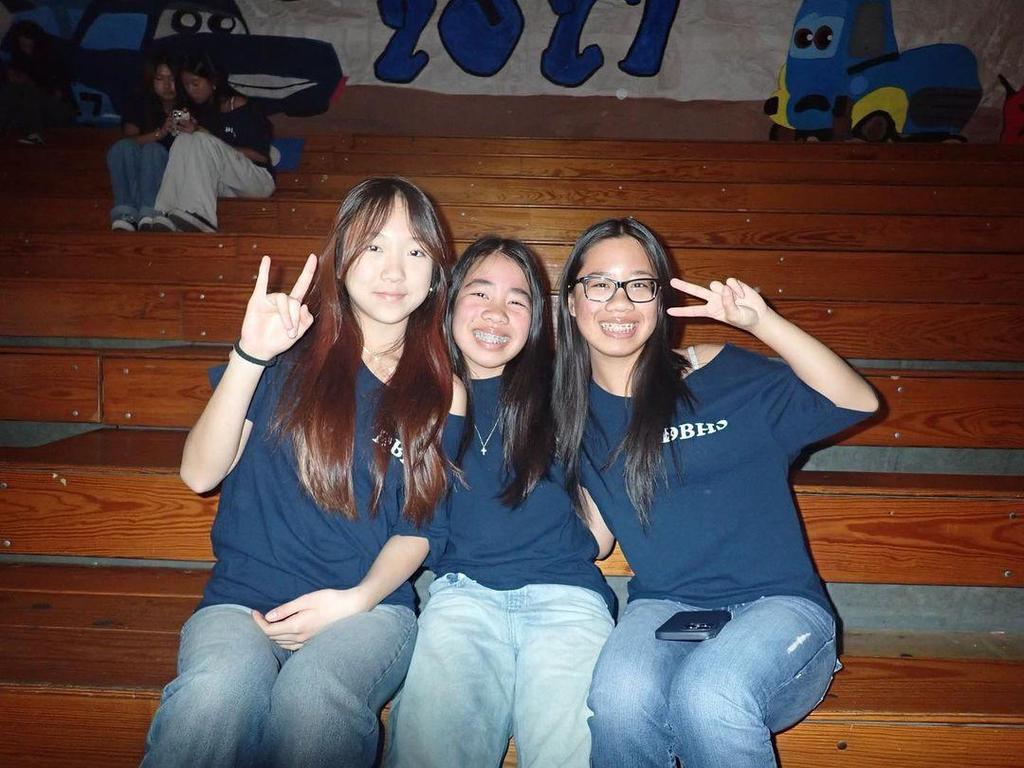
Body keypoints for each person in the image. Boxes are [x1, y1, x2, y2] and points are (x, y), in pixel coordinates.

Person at [141, 177, 457, 768]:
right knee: (213, 698)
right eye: (374, 245)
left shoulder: (442, 391)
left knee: (313, 705)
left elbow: (420, 527)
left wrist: (354, 602)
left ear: (437, 272)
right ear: (343, 257)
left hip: (366, 610)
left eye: (415, 251)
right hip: (245, 602)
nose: (394, 270)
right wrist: (250, 355)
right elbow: (199, 474)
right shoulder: (286, 351)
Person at [554, 217, 879, 768]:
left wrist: (763, 322)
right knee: (619, 701)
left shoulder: (721, 373)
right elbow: (596, 535)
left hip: (779, 605)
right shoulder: (573, 414)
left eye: (639, 284)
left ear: (660, 300)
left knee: (709, 696)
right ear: (571, 301)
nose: (620, 302)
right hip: (666, 605)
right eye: (600, 284)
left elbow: (857, 403)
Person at [385, 237, 615, 768]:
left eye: (517, 300)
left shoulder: (566, 391)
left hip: (567, 598)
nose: (496, 312)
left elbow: (601, 533)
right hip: (462, 597)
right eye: (480, 292)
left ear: (535, 320)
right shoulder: (417, 395)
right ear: (448, 302)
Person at [151, 53, 274, 233]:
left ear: (213, 81)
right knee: (185, 138)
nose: (191, 90)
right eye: (186, 85)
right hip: (225, 186)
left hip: (257, 181)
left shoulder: (240, 106)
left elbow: (261, 156)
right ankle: (164, 211)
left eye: (195, 84)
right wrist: (171, 129)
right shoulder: (195, 111)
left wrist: (208, 138)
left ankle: (201, 216)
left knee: (201, 139)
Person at [106, 54, 181, 231]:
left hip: (172, 171)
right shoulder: (140, 102)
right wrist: (159, 133)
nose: (167, 85)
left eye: (172, 79)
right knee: (124, 148)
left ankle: (151, 212)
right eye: (160, 78)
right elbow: (128, 140)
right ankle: (126, 214)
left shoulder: (187, 105)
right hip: (142, 169)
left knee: (153, 151)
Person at [0, 20, 74, 144]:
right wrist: (14, 78)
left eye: (28, 45)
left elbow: (58, 93)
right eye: (22, 45)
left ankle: (34, 133)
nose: (25, 49)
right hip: (29, 109)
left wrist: (30, 83)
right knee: (10, 90)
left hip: (57, 108)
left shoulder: (52, 57)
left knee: (27, 91)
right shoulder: (19, 59)